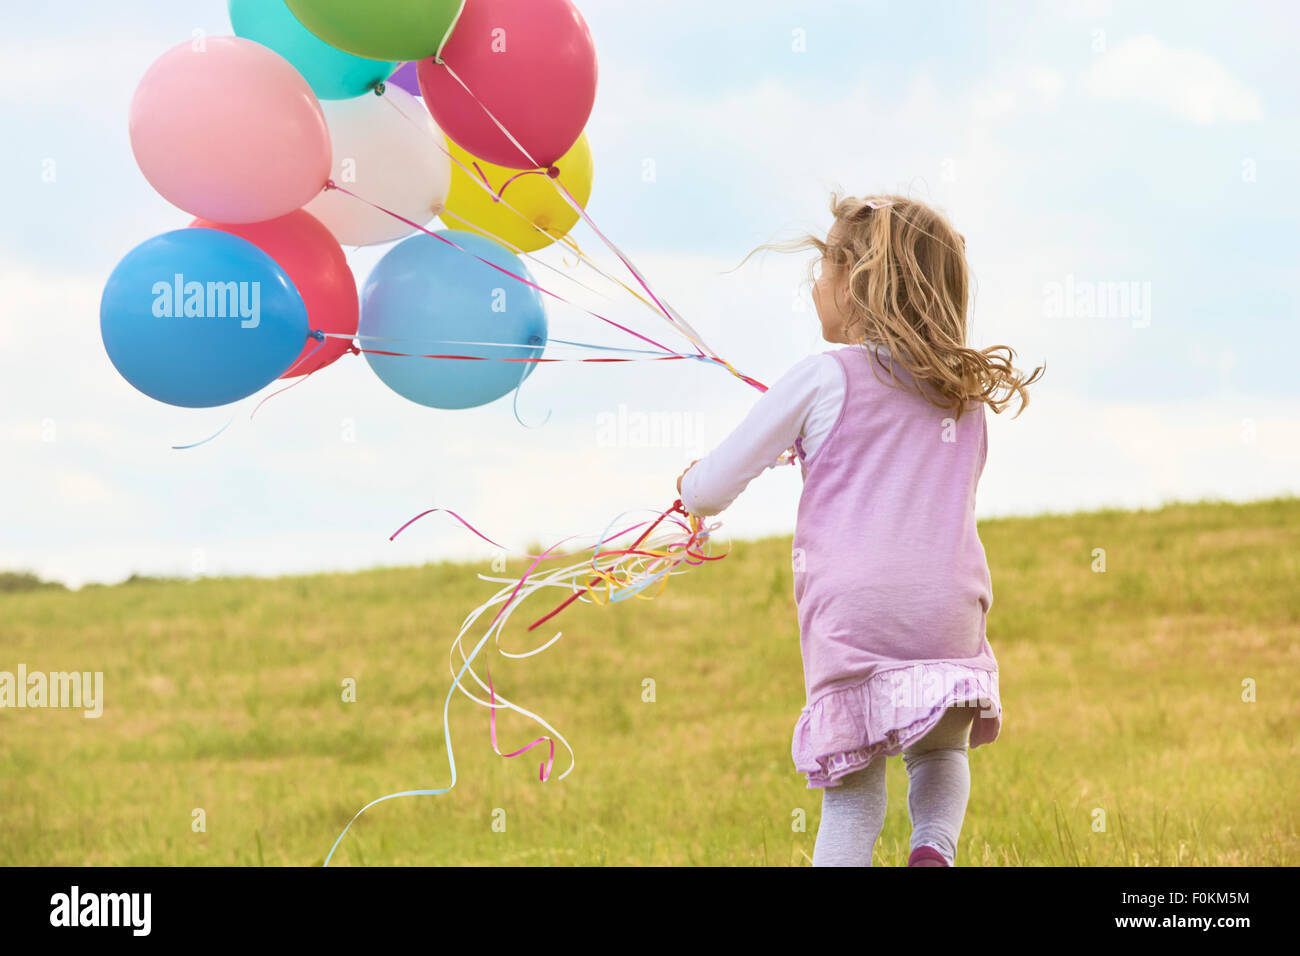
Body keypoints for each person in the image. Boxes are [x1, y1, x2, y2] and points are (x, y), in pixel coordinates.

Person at [676, 193, 1043, 866]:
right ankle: (933, 847)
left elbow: (711, 488)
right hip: (947, 609)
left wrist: (687, 487)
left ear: (856, 278)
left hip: (855, 614)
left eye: (821, 268)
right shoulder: (960, 396)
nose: (814, 285)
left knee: (850, 788)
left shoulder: (822, 378)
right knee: (941, 748)